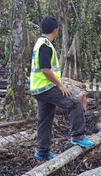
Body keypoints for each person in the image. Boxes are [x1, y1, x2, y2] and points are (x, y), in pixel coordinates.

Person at [30, 16, 94, 160]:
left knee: (45, 119)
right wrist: (60, 85)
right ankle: (78, 136)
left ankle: (42, 152)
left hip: (38, 88)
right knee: (74, 102)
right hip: (45, 87)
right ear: (55, 30)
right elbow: (45, 69)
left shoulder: (40, 42)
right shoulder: (45, 45)